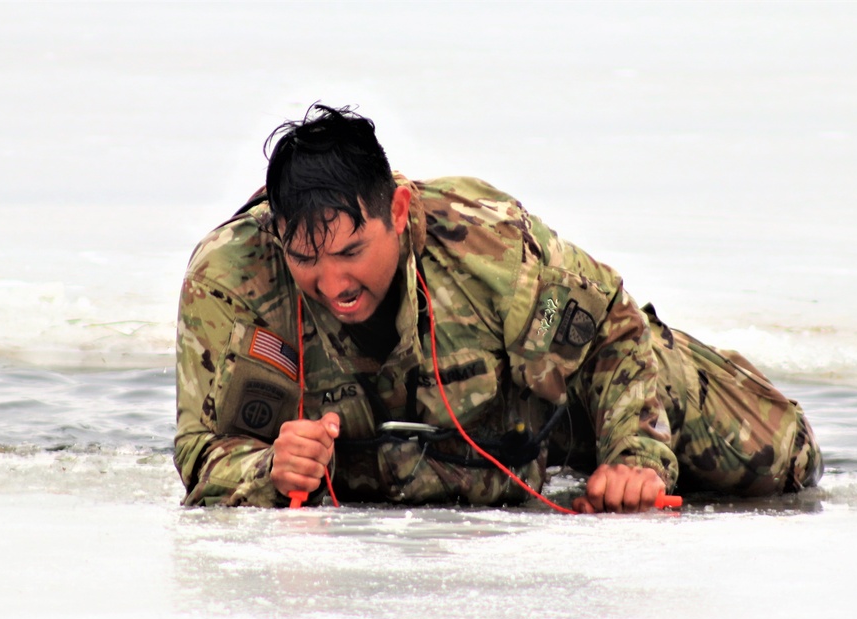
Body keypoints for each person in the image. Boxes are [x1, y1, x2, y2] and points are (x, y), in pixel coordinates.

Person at [174, 103, 822, 511]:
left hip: (548, 406)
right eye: (304, 258)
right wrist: (267, 466)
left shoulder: (482, 238)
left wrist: (635, 458)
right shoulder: (230, 282)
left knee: (776, 459)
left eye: (350, 251)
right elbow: (200, 450)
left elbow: (610, 333)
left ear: (397, 214)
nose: (331, 281)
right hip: (435, 459)